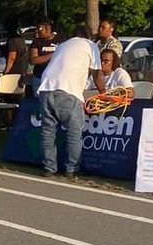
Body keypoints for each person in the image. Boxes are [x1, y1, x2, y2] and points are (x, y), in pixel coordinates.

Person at [37, 24, 104, 179]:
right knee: (74, 132)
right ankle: (71, 169)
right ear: (89, 36)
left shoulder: (62, 45)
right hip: (67, 90)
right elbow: (97, 74)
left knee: (48, 131)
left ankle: (49, 168)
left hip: (46, 87)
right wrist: (104, 93)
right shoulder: (90, 45)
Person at [28, 21, 58, 86]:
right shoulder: (36, 42)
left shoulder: (61, 39)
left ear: (47, 28)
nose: (37, 31)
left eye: (40, 28)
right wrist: (52, 55)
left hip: (57, 78)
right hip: (40, 77)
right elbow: (33, 60)